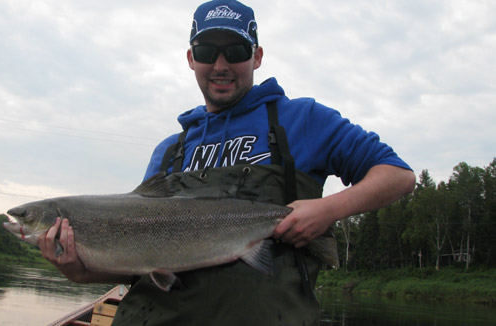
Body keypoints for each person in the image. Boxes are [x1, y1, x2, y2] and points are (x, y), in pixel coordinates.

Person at [39, 0, 416, 325]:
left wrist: (327, 210)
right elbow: (141, 261)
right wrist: (79, 270)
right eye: (206, 52)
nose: (220, 64)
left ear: (257, 56)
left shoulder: (303, 119)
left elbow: (397, 176)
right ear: (191, 59)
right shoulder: (169, 151)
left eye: (235, 51)